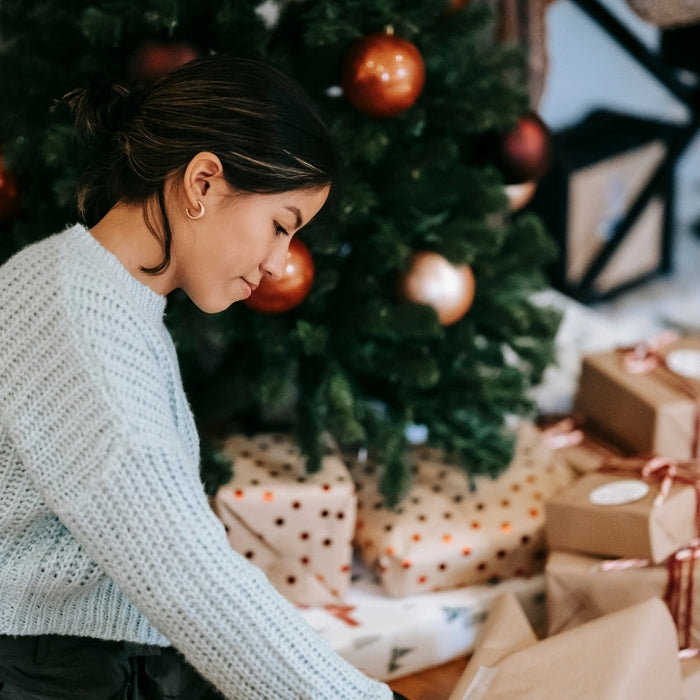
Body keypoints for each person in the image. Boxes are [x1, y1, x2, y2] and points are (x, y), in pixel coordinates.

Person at [0, 55, 409, 700]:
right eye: (281, 226)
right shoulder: (82, 329)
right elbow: (189, 580)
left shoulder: (85, 285)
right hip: (57, 675)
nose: (279, 264)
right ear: (204, 182)